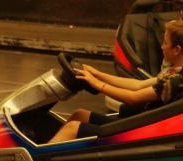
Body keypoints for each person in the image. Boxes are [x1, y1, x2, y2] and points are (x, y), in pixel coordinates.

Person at [49, 19, 183, 143]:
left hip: (140, 131)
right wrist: (98, 74)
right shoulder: (174, 71)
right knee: (79, 114)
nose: (162, 47)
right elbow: (137, 85)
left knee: (72, 128)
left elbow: (133, 98)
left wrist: (96, 84)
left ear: (177, 50)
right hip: (138, 122)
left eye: (165, 42)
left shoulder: (175, 82)